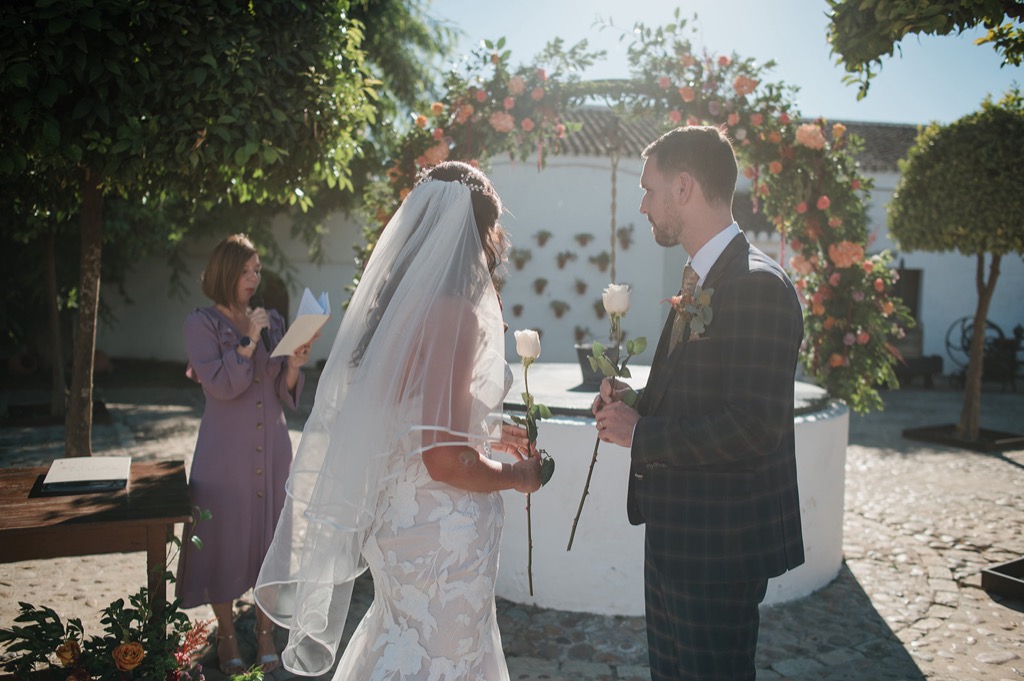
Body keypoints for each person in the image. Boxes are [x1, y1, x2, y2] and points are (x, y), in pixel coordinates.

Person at [255, 161, 541, 680]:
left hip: (399, 525)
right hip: (443, 536)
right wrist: (515, 478)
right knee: (444, 658)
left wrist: (491, 429)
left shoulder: (399, 309)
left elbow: (409, 412)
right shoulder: (456, 310)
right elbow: (443, 458)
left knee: (402, 641)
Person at [593, 126, 805, 681]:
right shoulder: (703, 278)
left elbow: (756, 424)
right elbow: (704, 394)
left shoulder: (756, 284)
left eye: (649, 189)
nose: (643, 205)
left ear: (683, 187)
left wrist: (641, 434)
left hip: (718, 548)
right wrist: (632, 404)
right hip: (676, 535)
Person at [176, 233, 315, 676]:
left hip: (274, 450)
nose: (256, 277)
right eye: (247, 270)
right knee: (224, 542)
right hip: (225, 455)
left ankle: (268, 632)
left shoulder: (271, 318)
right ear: (226, 272)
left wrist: (294, 365)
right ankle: (226, 633)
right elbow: (221, 385)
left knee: (273, 542)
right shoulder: (200, 324)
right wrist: (248, 340)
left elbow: (279, 388)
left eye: (258, 270)